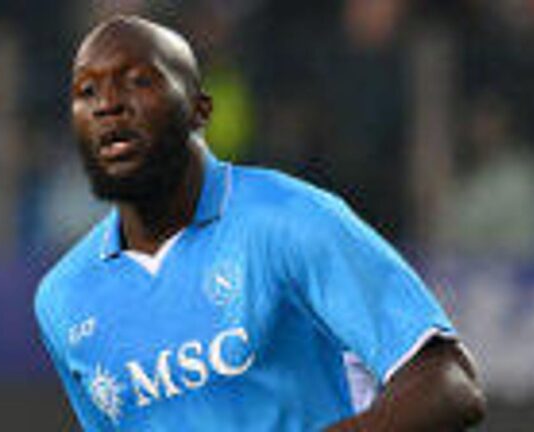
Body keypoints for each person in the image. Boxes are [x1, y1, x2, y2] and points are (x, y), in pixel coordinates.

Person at [34, 15, 485, 431]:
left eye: (137, 81)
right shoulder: (63, 298)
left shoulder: (289, 218)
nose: (108, 104)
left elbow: (450, 383)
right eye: (87, 91)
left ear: (198, 110)